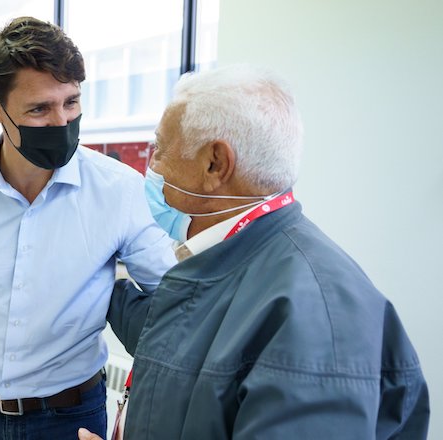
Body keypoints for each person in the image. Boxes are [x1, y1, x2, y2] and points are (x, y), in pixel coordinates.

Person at [79, 65, 430, 440]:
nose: (152, 166)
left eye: (160, 149)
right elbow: (183, 349)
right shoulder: (230, 262)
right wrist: (106, 280)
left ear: (215, 163)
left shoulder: (314, 315)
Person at [0, 16, 176, 440]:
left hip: (70, 417)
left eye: (70, 102)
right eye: (39, 108)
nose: (61, 121)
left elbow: (173, 299)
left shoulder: (119, 191)